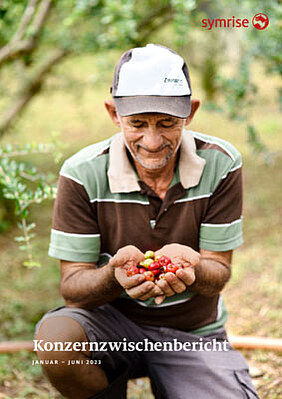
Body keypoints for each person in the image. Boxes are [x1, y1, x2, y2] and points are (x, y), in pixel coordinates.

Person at [35, 43, 259, 399]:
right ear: (113, 114)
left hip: (194, 332)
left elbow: (218, 272)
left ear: (190, 112)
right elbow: (73, 286)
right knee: (55, 341)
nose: (152, 141)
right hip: (111, 325)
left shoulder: (221, 163)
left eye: (167, 123)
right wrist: (112, 277)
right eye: (137, 124)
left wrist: (193, 270)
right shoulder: (81, 172)